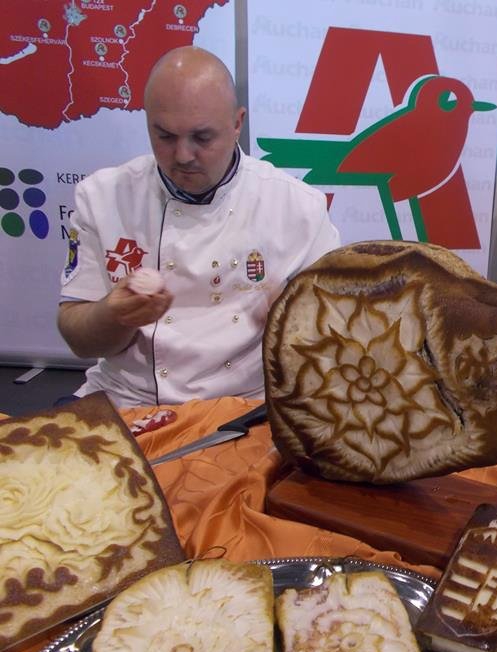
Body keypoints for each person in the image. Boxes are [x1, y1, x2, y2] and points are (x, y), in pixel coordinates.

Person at [58, 47, 340, 407]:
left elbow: (336, 340)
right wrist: (114, 315)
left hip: (247, 407)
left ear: (237, 123)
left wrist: (294, 324)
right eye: (165, 136)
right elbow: (79, 339)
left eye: (202, 138)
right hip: (127, 399)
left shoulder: (298, 208)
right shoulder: (103, 197)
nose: (183, 156)